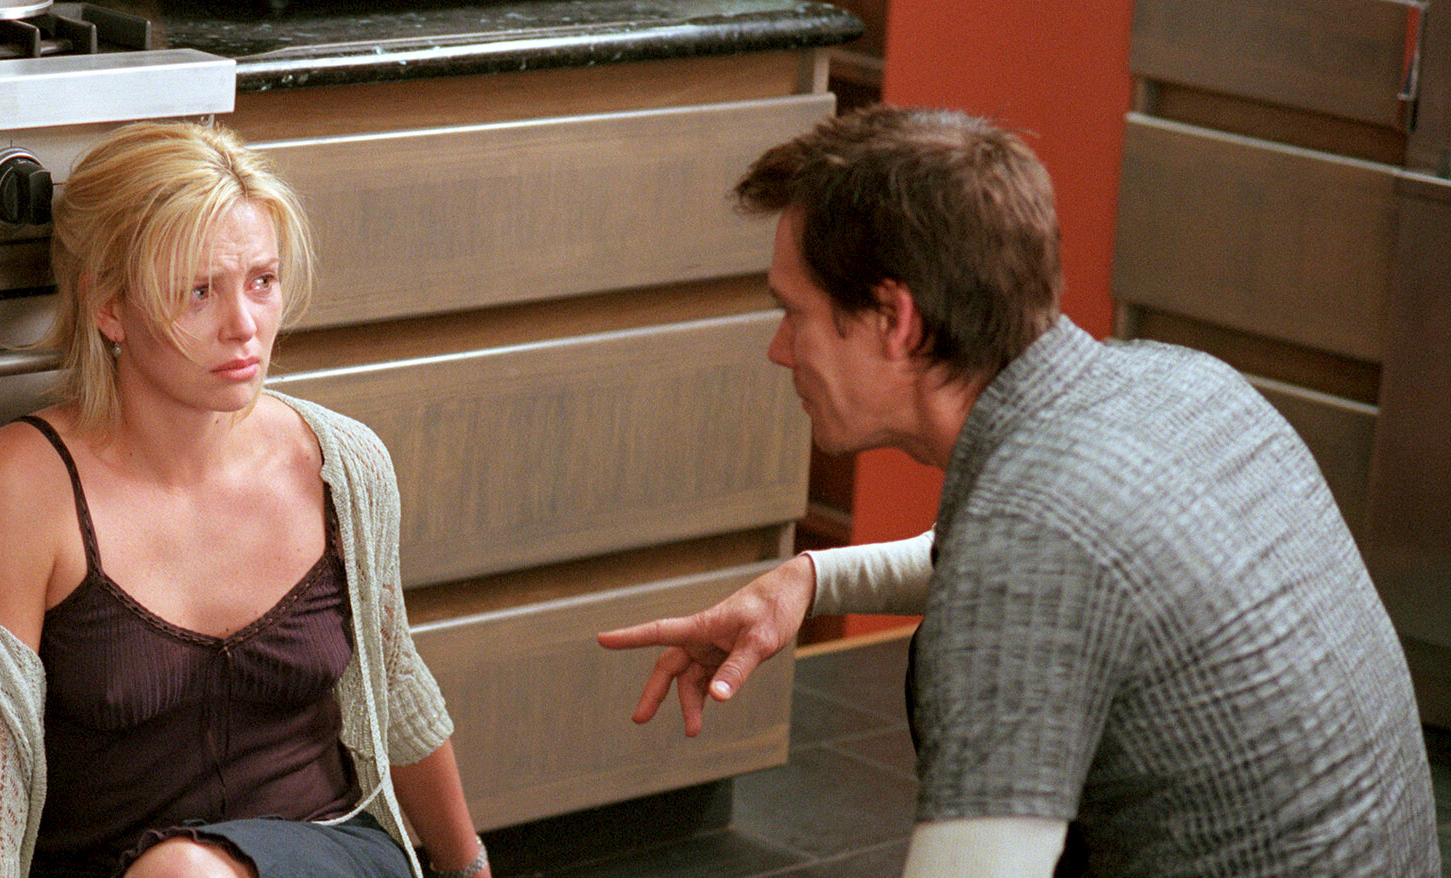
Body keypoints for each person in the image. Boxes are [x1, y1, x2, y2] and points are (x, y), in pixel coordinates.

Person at [598, 105, 1441, 876]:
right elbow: (1069, 569)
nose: (780, 350)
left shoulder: (1030, 536)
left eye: (795, 313)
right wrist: (809, 581)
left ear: (896, 319)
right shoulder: (1182, 385)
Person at [0, 121, 491, 878]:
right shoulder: (19, 491)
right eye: (199, 292)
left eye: (262, 281)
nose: (244, 326)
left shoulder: (341, 466)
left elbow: (397, 692)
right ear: (109, 307)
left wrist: (468, 867)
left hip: (327, 852)